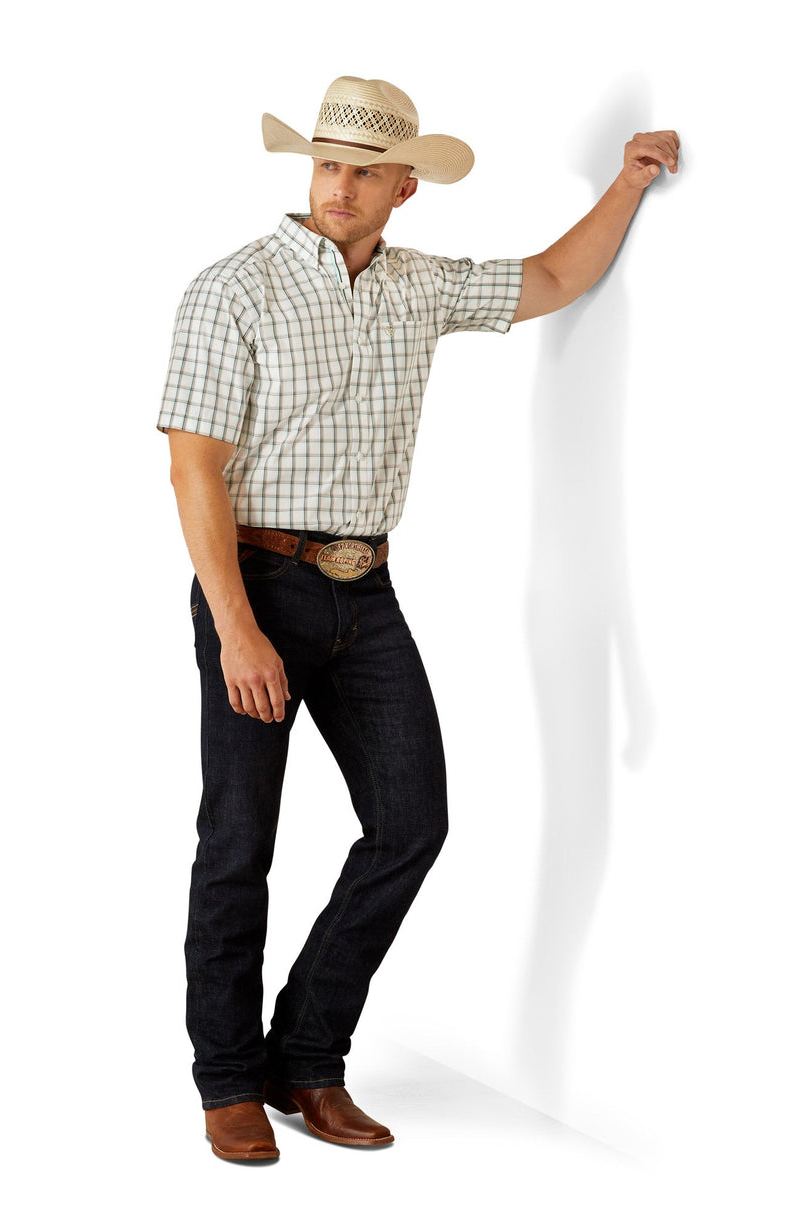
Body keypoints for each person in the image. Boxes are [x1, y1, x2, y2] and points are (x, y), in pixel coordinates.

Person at [158, 76, 679, 1162]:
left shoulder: (417, 286)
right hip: (256, 586)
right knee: (239, 841)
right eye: (327, 164)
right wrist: (237, 629)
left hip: (370, 594)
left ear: (405, 186)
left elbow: (549, 278)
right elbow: (194, 472)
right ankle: (226, 1080)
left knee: (412, 824)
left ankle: (304, 1058)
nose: (339, 186)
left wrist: (628, 185)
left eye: (363, 171)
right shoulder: (232, 290)